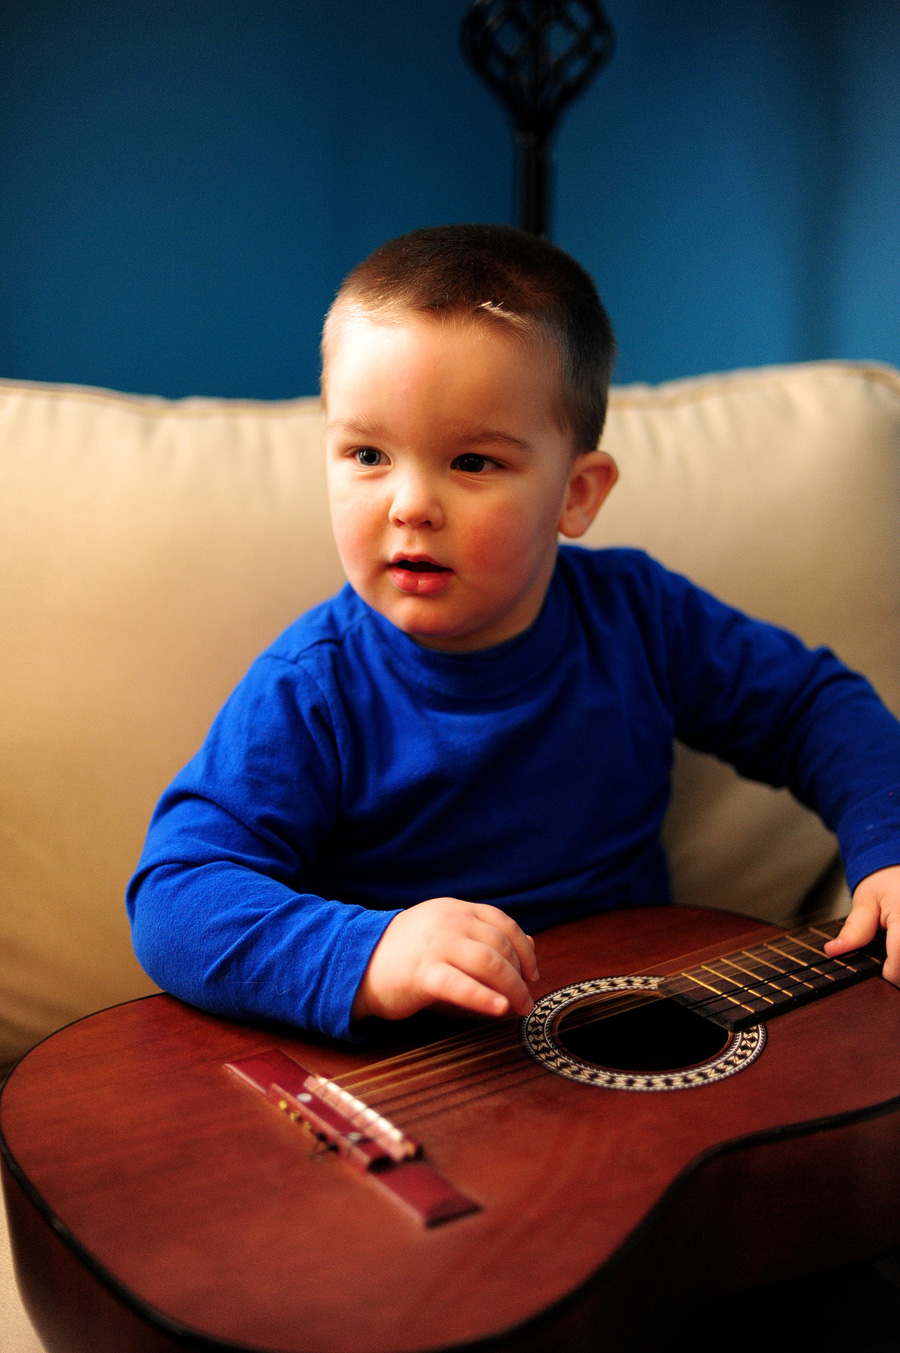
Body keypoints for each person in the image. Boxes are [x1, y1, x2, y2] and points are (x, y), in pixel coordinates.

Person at [126, 224, 900, 1041]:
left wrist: (887, 842)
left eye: (472, 463)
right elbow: (175, 893)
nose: (409, 505)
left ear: (576, 494)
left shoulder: (639, 617)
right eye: (365, 453)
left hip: (624, 1034)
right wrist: (368, 953)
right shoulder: (314, 686)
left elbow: (813, 706)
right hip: (414, 1094)